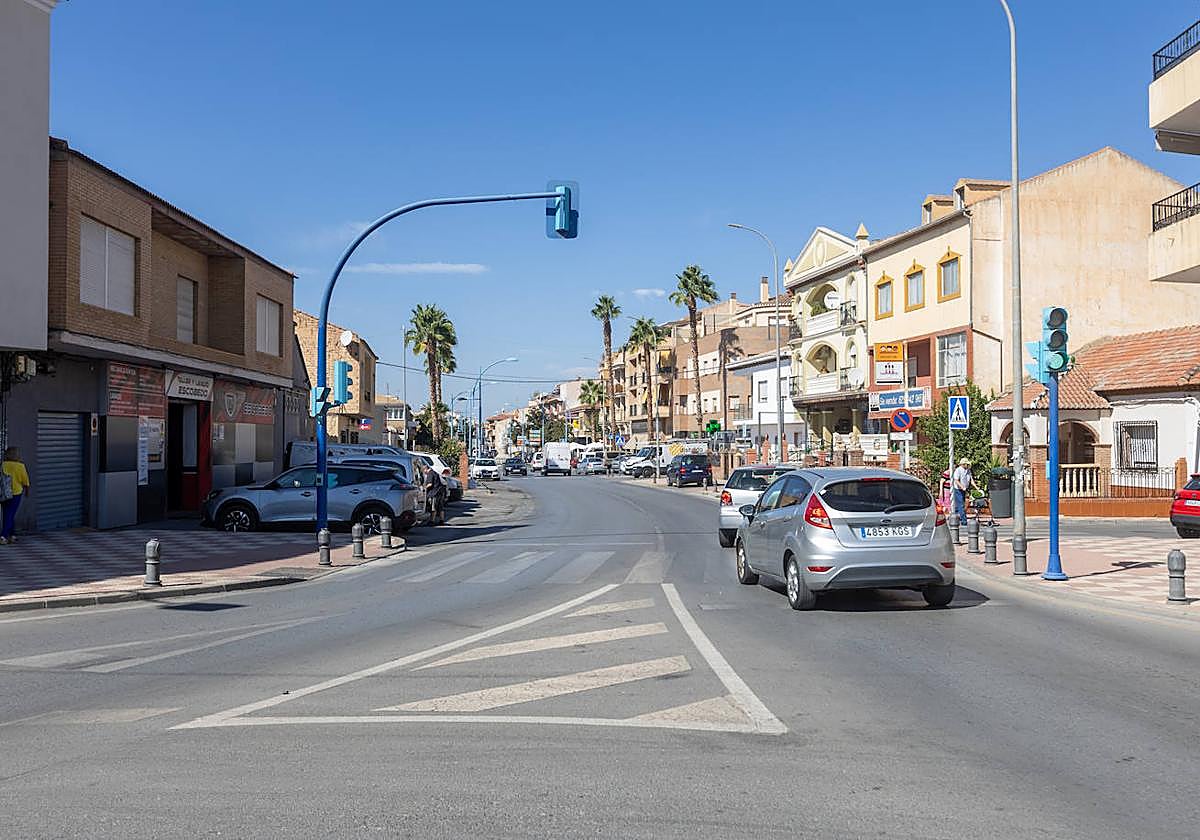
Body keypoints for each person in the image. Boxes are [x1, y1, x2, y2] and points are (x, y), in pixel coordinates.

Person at [1, 447, 31, 545]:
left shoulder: (3, 464)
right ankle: (4, 536)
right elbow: (25, 481)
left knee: (8, 514)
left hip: (4, 493)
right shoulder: (20, 466)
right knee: (10, 514)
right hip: (16, 493)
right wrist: (27, 491)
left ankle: (12, 535)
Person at [952, 457, 975, 526]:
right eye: (966, 464)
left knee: (958, 505)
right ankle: (964, 521)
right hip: (958, 489)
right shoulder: (958, 470)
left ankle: (954, 517)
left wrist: (977, 488)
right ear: (963, 464)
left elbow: (971, 480)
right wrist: (962, 487)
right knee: (961, 505)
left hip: (964, 489)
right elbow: (956, 480)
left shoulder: (968, 470)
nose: (967, 465)